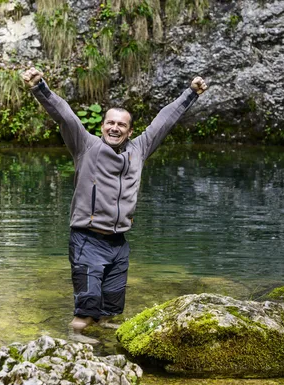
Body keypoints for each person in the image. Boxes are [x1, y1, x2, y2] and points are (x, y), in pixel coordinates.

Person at [22, 67, 207, 339]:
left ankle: (105, 345)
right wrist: (40, 87)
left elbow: (164, 120)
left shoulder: (139, 150)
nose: (115, 128)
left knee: (110, 309)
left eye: (121, 125)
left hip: (118, 243)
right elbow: (64, 114)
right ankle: (76, 348)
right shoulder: (86, 146)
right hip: (87, 238)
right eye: (110, 123)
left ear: (130, 131)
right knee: (85, 309)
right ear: (102, 127)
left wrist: (191, 93)